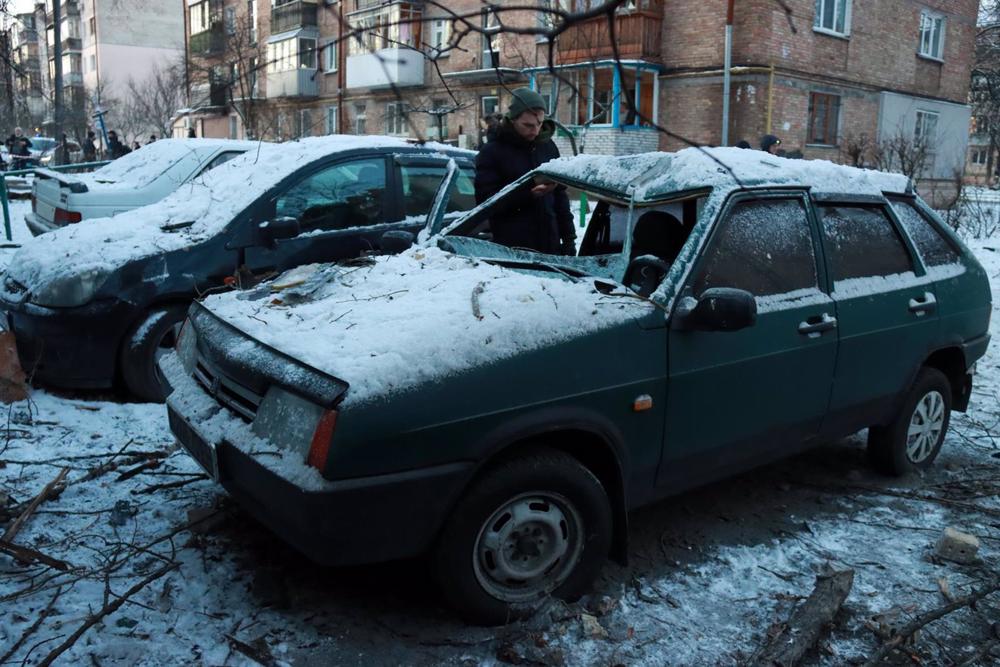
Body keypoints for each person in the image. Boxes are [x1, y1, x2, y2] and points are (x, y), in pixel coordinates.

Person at [474, 88, 576, 255]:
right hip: (512, 253)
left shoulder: (548, 147)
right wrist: (528, 195)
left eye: (540, 124)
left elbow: (560, 198)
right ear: (512, 120)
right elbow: (486, 203)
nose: (535, 131)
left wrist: (569, 239)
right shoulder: (493, 152)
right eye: (528, 125)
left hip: (551, 248)